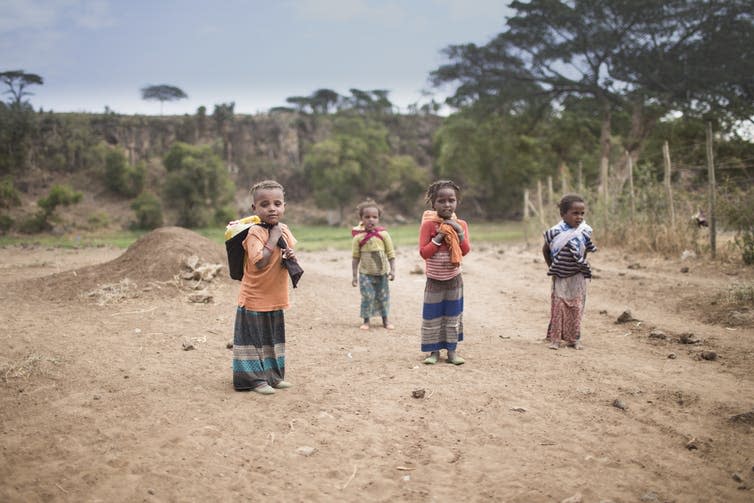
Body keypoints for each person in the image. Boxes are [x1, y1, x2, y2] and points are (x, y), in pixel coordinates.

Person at [232, 180, 298, 394]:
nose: (272, 208)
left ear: (284, 206)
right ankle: (254, 380)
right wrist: (274, 237)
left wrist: (289, 254)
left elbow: (286, 252)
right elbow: (259, 261)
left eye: (277, 203)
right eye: (265, 204)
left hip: (275, 297)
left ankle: (273, 376)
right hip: (254, 298)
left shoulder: (284, 230)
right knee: (253, 342)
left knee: (272, 340)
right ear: (254, 208)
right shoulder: (255, 233)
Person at [418, 180, 471, 365]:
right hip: (434, 280)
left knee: (452, 316)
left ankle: (452, 352)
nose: (447, 204)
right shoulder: (428, 226)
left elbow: (464, 251)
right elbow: (424, 253)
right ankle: (433, 353)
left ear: (457, 202)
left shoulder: (461, 224)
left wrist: (459, 232)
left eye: (451, 200)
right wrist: (439, 236)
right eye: (441, 201)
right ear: (433, 204)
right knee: (432, 316)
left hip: (454, 279)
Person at [542, 194, 597, 350]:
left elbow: (584, 251)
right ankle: (555, 339)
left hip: (578, 276)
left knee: (577, 306)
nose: (579, 217)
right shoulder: (555, 232)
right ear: (563, 214)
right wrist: (553, 268)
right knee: (559, 305)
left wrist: (580, 266)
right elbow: (546, 250)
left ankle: (574, 339)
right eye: (575, 213)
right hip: (560, 275)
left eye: (582, 213)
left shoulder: (584, 231)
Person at [351, 199, 397, 330]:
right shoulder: (358, 238)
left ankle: (385, 320)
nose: (371, 220)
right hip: (365, 273)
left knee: (383, 296)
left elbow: (391, 254)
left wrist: (393, 270)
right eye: (367, 217)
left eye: (374, 217)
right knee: (368, 296)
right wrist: (354, 277)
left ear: (378, 219)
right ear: (361, 219)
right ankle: (366, 321)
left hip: (382, 273)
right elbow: (355, 258)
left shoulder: (384, 235)